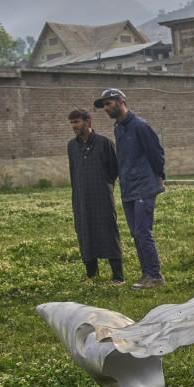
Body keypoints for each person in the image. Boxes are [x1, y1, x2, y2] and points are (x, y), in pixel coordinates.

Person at [95, 88, 166, 290]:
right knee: (136, 233)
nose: (106, 109)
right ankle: (146, 275)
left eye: (109, 104)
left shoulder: (140, 126)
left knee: (143, 231)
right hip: (128, 188)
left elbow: (156, 153)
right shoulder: (118, 128)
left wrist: (159, 177)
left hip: (144, 186)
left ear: (120, 101)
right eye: (104, 106)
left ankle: (155, 275)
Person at [66, 109, 124, 284]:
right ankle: (92, 274)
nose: (74, 126)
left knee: (108, 232)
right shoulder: (71, 146)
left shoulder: (104, 143)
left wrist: (103, 186)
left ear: (88, 121)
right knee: (85, 231)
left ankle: (117, 276)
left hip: (102, 197)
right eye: (72, 123)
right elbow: (73, 171)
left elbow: (114, 170)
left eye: (77, 122)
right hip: (81, 198)